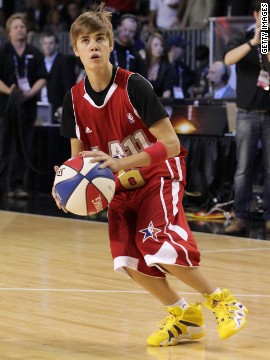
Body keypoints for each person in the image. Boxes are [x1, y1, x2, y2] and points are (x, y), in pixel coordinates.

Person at [52, 3, 248, 347]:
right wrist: (65, 184)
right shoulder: (73, 99)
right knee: (126, 260)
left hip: (159, 174)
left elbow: (171, 144)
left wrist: (120, 164)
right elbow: (78, 158)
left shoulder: (134, 85)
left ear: (112, 44)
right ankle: (184, 317)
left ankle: (222, 300)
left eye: (100, 38)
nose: (93, 46)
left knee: (154, 245)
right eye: (85, 40)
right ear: (76, 49)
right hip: (121, 187)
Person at [224, 0, 270, 234]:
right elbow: (228, 59)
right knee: (244, 168)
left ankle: (269, 216)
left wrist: (266, 46)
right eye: (265, 15)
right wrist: (255, 41)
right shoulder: (243, 37)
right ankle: (240, 215)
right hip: (246, 113)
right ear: (256, 15)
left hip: (269, 112)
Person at [0, 13, 47, 198]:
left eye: (23, 26)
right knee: (4, 148)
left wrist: (29, 93)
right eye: (16, 27)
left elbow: (43, 78)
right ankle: (2, 186)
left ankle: (17, 186)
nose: (20, 29)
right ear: (9, 32)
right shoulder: (3, 51)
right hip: (5, 108)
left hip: (27, 109)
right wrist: (9, 91)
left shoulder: (34, 53)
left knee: (22, 148)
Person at [40, 32, 76, 122]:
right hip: (42, 104)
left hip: (58, 106)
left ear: (57, 45)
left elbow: (68, 85)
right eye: (45, 43)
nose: (47, 46)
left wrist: (64, 105)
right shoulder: (39, 61)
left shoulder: (64, 61)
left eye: (51, 43)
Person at [145, 32, 175, 98]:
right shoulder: (142, 65)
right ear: (149, 46)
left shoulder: (167, 67)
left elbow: (167, 90)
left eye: (161, 46)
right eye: (156, 45)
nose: (159, 48)